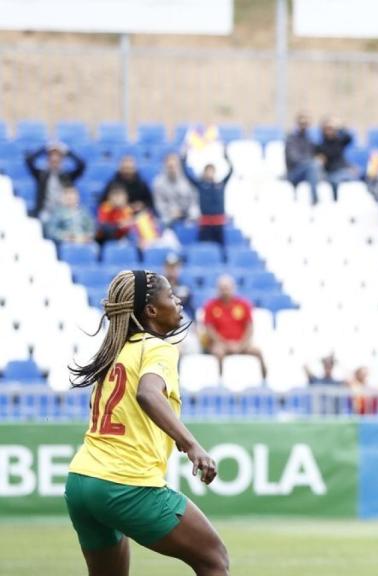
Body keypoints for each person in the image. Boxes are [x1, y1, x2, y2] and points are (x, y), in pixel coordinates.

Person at [65, 270, 228, 575]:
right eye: (170, 296)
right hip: (125, 483)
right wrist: (192, 446)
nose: (178, 300)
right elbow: (149, 394)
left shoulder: (115, 352)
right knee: (214, 559)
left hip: (81, 481)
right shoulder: (158, 348)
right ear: (151, 310)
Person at [201, 275, 265, 377]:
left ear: (233, 288)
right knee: (218, 353)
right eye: (222, 288)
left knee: (258, 352)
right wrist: (225, 344)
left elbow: (249, 328)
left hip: (242, 344)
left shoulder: (243, 304)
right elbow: (209, 329)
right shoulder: (210, 306)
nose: (224, 291)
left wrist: (241, 345)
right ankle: (220, 381)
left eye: (227, 288)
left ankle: (264, 379)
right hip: (220, 344)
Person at [182, 150, 233, 246]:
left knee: (221, 248)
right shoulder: (200, 185)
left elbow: (231, 171)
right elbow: (187, 175)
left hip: (218, 222)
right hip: (205, 223)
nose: (210, 173)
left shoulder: (220, 185)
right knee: (204, 246)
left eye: (212, 171)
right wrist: (184, 158)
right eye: (208, 171)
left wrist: (226, 157)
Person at [25, 142, 86, 218]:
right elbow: (29, 160)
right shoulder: (42, 175)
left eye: (58, 156)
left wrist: (67, 151)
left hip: (64, 212)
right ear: (48, 159)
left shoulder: (67, 176)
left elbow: (82, 165)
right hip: (45, 212)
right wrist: (45, 148)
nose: (54, 158)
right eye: (51, 156)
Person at [152, 154, 199, 228]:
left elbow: (194, 200)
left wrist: (188, 213)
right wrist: (171, 212)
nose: (172, 169)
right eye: (170, 167)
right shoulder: (158, 182)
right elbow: (159, 204)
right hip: (169, 216)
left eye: (175, 166)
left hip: (187, 215)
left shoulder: (188, 180)